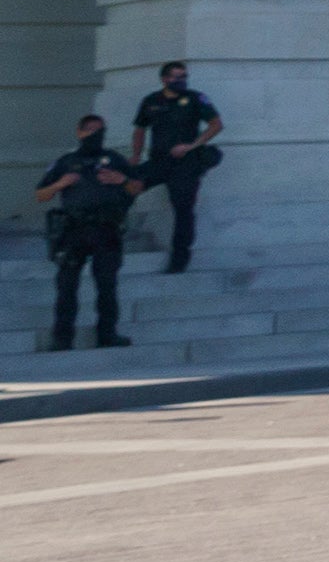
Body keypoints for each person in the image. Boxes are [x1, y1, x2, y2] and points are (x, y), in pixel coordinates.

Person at [38, 113, 139, 351]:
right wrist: (60, 184)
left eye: (101, 130)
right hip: (73, 230)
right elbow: (41, 194)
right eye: (92, 130)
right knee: (66, 286)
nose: (97, 135)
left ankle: (108, 334)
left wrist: (121, 180)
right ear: (80, 132)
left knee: (107, 284)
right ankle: (62, 338)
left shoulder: (114, 159)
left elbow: (136, 188)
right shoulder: (65, 162)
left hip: (106, 229)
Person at [129, 61, 218, 272]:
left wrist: (192, 145)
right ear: (164, 79)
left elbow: (216, 124)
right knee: (126, 186)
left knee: (183, 210)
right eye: (176, 76)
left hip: (186, 163)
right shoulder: (151, 101)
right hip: (159, 161)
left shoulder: (195, 99)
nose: (181, 81)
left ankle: (180, 258)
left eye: (184, 76)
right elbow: (140, 129)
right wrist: (135, 155)